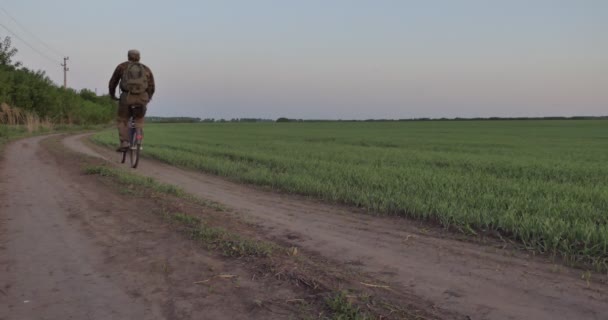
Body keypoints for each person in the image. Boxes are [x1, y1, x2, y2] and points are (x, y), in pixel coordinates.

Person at [108, 49, 155, 151]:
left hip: (126, 97)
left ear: (128, 56)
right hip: (142, 97)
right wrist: (148, 98)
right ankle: (139, 140)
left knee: (123, 119)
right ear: (139, 57)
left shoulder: (122, 67)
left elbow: (113, 82)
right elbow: (151, 86)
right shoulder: (146, 69)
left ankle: (125, 142)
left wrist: (112, 95)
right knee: (139, 120)